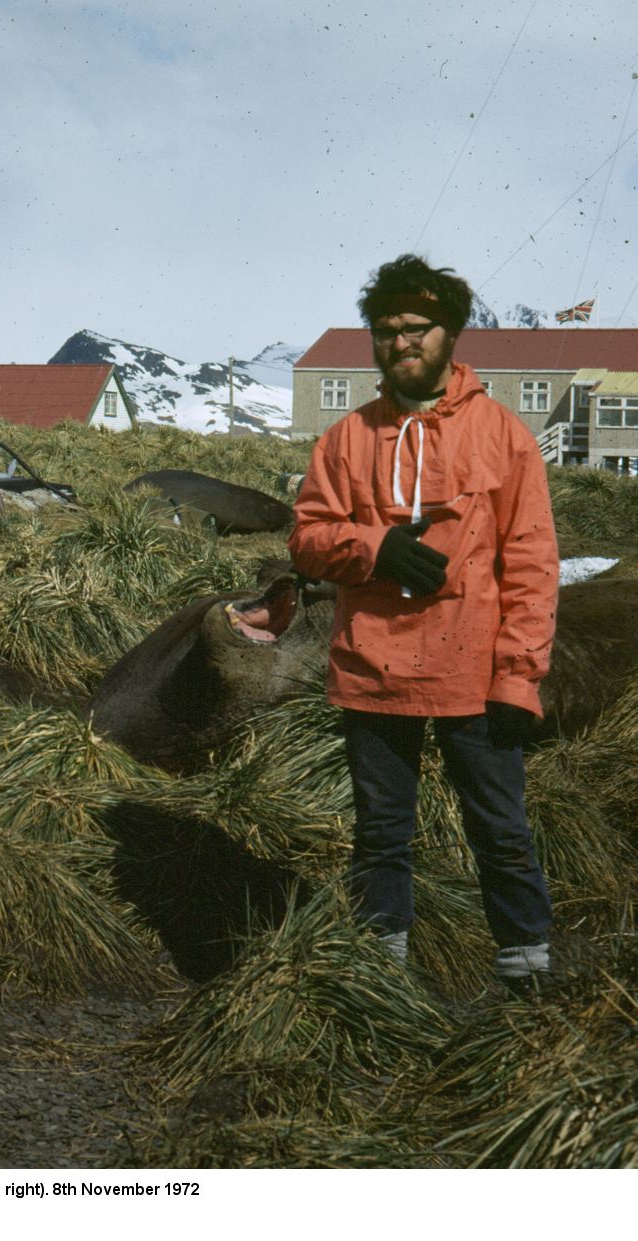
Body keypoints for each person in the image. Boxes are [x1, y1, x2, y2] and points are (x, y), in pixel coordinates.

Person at [288, 253, 559, 990]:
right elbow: (308, 538)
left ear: (451, 334)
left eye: (417, 327)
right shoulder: (344, 440)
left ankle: (526, 982)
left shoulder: (503, 435)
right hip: (372, 669)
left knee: (501, 832)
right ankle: (382, 990)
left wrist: (518, 677)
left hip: (475, 670)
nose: (400, 341)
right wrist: (374, 548)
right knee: (380, 836)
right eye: (385, 329)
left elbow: (533, 568)